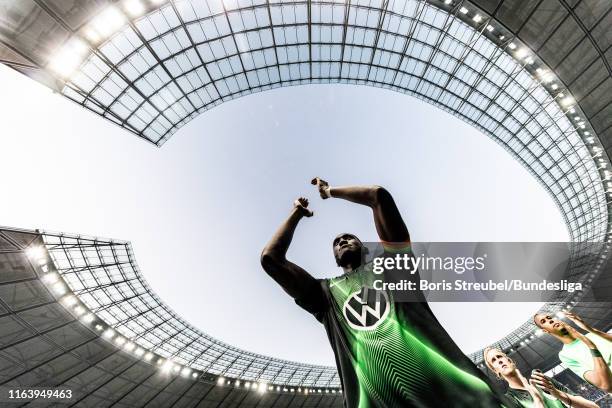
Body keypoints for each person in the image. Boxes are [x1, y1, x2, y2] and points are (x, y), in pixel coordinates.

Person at [261, 178, 515, 407]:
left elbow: (378, 195)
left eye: (349, 237)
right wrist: (297, 213)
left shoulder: (394, 269)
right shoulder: (324, 295)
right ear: (335, 258)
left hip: (454, 395)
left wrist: (330, 192)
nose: (342, 242)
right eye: (336, 243)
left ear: (364, 246)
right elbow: (270, 259)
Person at [483, 347, 597, 408]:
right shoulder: (509, 399)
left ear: (510, 361)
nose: (499, 360)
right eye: (494, 360)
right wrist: (536, 397)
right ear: (495, 371)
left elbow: (593, 407)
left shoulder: (543, 381)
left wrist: (557, 393)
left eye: (500, 356)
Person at [534, 312, 611, 393]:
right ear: (545, 330)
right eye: (544, 321)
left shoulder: (592, 335)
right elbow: (605, 385)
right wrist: (591, 346)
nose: (550, 321)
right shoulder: (565, 355)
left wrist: (590, 329)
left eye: (549, 318)